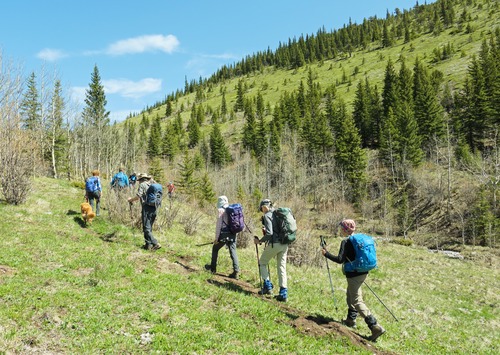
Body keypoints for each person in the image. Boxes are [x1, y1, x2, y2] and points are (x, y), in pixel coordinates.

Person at [321, 219, 386, 342]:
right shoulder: (361, 238)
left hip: (353, 274)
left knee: (357, 300)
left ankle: (374, 326)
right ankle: (351, 320)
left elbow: (340, 259)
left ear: (345, 229)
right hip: (364, 272)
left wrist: (326, 254)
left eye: (342, 228)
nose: (340, 230)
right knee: (350, 293)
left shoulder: (346, 242)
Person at [253, 199, 289, 302]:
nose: (262, 210)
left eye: (262, 208)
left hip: (275, 244)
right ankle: (283, 293)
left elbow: (269, 233)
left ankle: (267, 286)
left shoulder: (267, 215)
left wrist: (260, 241)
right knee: (282, 267)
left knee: (262, 263)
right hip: (284, 244)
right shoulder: (278, 213)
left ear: (264, 207)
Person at [204, 196, 240, 279]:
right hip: (233, 234)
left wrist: (216, 238)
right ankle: (236, 271)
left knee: (215, 248)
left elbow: (219, 226)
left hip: (224, 234)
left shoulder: (221, 211)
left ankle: (213, 269)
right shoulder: (233, 210)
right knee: (233, 251)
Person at [127, 173, 161, 251]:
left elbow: (138, 196)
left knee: (146, 228)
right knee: (149, 227)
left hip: (146, 208)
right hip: (154, 208)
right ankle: (148, 245)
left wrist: (131, 200)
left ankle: (155, 243)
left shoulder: (142, 185)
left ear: (141, 180)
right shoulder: (152, 185)